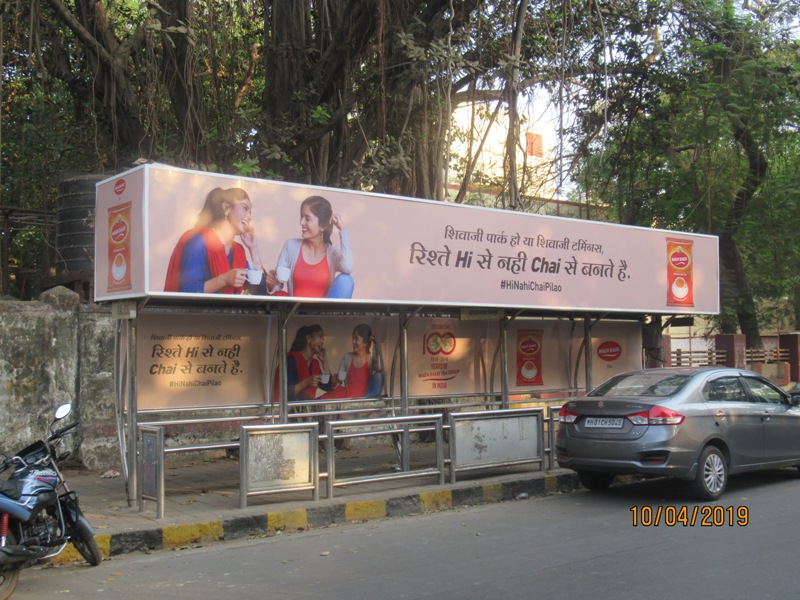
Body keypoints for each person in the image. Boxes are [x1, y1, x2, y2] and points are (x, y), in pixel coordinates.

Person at [164, 187, 266, 294]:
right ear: (226, 207)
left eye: (250, 212)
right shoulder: (199, 241)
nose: (249, 217)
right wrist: (223, 280)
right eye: (245, 208)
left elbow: (260, 293)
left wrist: (253, 250)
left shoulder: (238, 251)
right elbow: (186, 290)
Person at [265, 195, 354, 298]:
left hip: (322, 312)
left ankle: (327, 315)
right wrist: (271, 285)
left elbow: (348, 267)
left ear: (322, 226)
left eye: (307, 219)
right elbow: (278, 285)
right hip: (295, 311)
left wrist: (343, 230)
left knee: (346, 280)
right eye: (301, 217)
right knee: (280, 295)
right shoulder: (291, 246)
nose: (301, 222)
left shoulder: (332, 254)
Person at [322, 323, 384, 399]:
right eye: (353, 338)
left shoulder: (370, 360)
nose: (353, 341)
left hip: (365, 401)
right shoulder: (347, 358)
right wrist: (335, 381)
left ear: (365, 343)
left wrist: (377, 344)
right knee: (339, 391)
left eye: (356, 339)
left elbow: (379, 369)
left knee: (378, 376)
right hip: (349, 400)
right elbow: (339, 382)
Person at [282, 324, 335, 402]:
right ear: (308, 338)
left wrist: (324, 362)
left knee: (340, 391)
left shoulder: (314, 364)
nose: (323, 341)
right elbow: (286, 393)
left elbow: (328, 387)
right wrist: (306, 382)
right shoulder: (292, 360)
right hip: (294, 408)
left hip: (309, 406)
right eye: (320, 337)